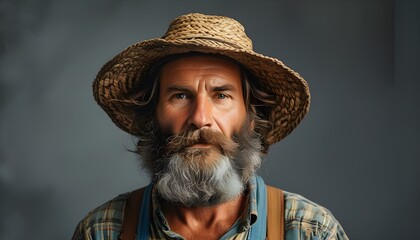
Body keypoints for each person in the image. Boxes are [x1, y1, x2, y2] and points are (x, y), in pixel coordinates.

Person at [72, 13, 348, 240]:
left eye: (221, 96)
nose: (200, 117)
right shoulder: (103, 231)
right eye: (180, 96)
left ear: (251, 119)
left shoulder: (310, 230)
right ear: (153, 116)